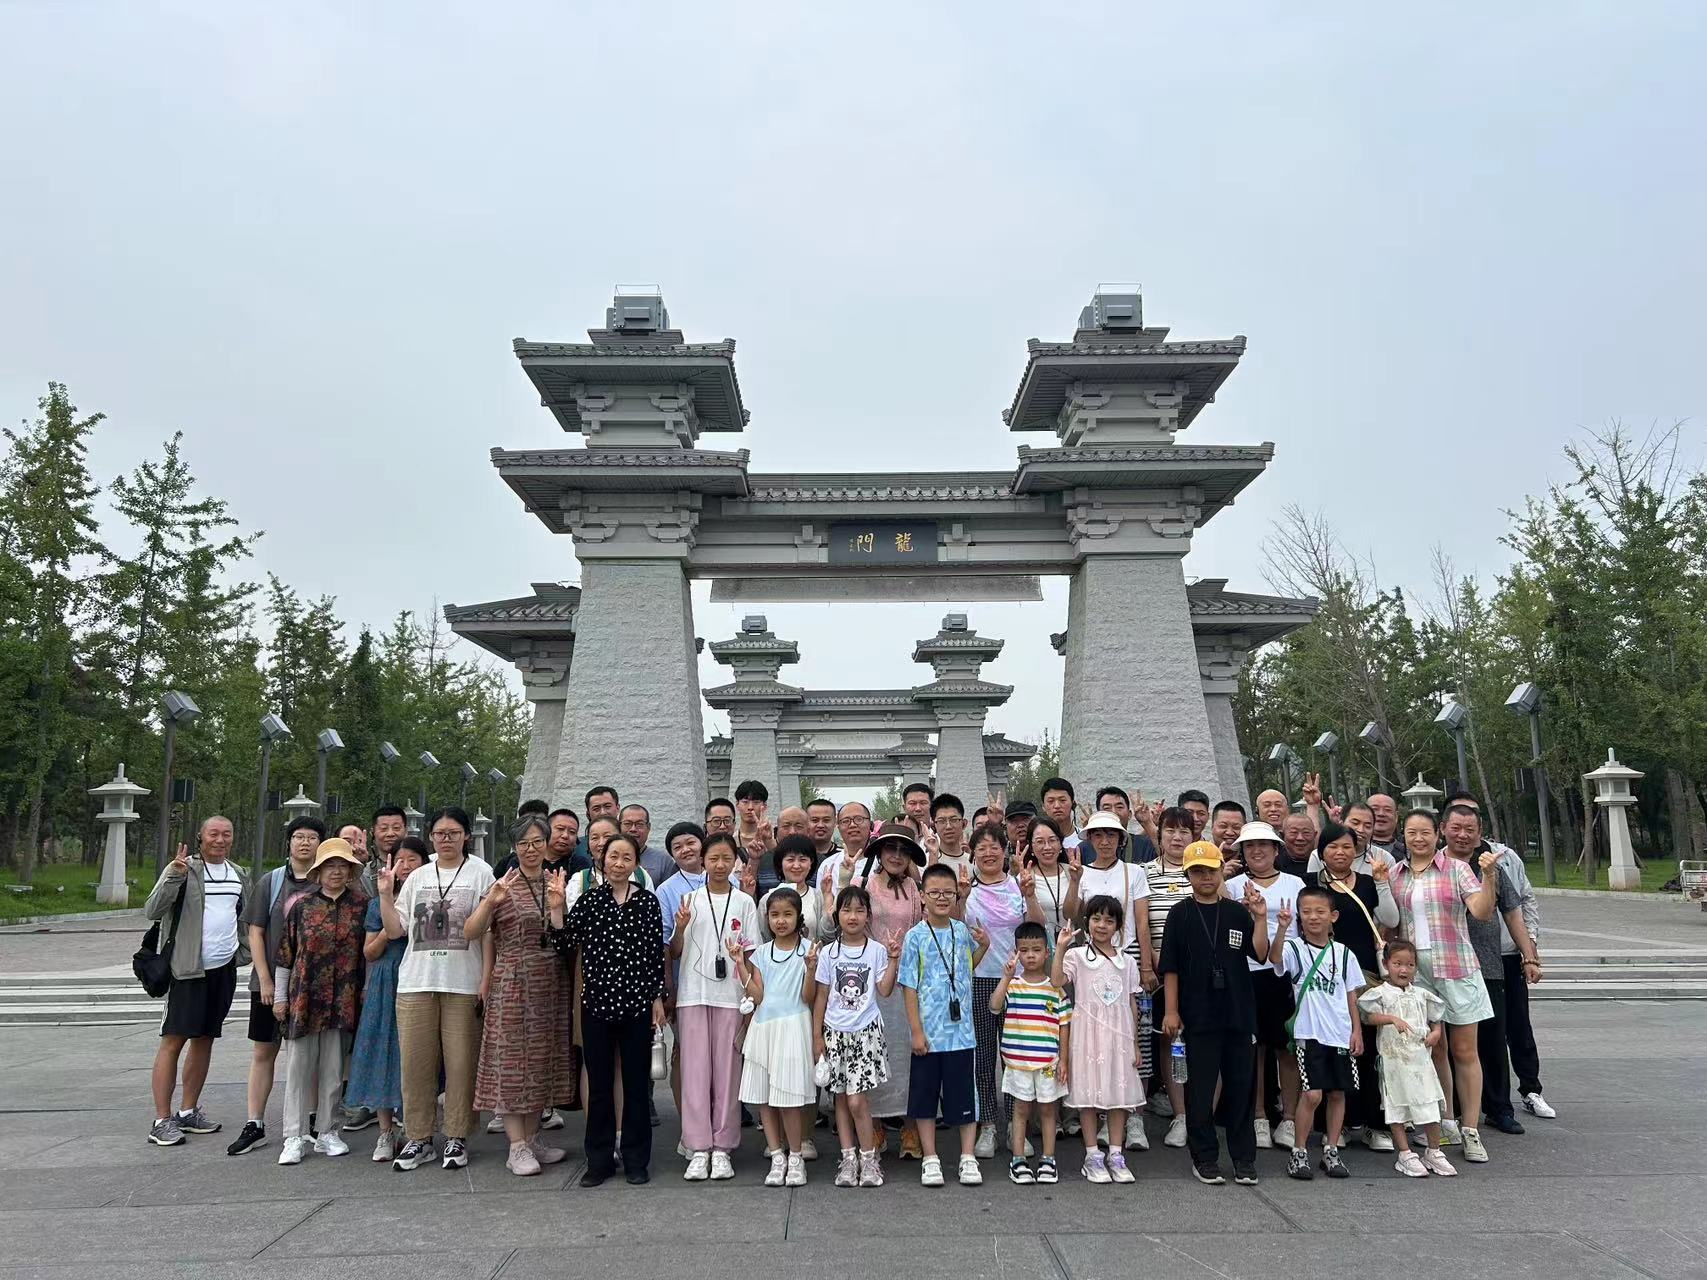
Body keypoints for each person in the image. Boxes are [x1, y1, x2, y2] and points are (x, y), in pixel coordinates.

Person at [379, 806, 495, 1172]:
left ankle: (457, 1135)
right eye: (440, 833)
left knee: (461, 1064)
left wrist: (486, 979)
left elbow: (488, 931)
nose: (446, 839)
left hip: (463, 982)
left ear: (466, 835)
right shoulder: (417, 876)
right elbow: (395, 930)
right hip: (417, 981)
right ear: (430, 837)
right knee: (415, 1065)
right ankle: (419, 1137)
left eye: (453, 833)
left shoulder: (481, 872)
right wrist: (385, 894)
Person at [1388, 807, 1504, 1164]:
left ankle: (1470, 1128)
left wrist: (1489, 876)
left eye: (1425, 832)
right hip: (1416, 975)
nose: (1418, 839)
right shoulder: (1395, 874)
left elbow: (1481, 911)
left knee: (1465, 1050)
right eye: (1411, 833)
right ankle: (1445, 1121)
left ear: (1437, 834)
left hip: (1456, 966)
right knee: (1433, 1049)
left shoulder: (1456, 869)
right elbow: (1391, 922)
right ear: (1404, 836)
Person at [548, 834, 666, 1186]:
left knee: (635, 1084)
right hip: (596, 1003)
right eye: (613, 856)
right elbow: (564, 943)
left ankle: (636, 1159)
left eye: (626, 857)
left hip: (636, 1004)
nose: (619, 863)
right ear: (602, 859)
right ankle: (598, 1161)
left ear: (635, 864)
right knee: (599, 1085)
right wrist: (556, 909)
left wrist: (657, 998)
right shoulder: (590, 900)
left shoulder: (646, 902)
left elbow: (654, 955)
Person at [1160, 840, 1274, 1186]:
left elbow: (1260, 953)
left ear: (1222, 869)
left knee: (1241, 1087)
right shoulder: (1179, 914)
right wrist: (1171, 1011)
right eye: (1197, 871)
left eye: (1210, 870)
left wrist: (1260, 918)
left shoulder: (1237, 912)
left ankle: (1243, 1157)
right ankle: (1204, 1156)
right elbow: (1171, 968)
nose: (1205, 877)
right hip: (1198, 1015)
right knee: (1200, 1089)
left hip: (1238, 1012)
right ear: (1188, 875)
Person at [466, 813, 575, 1176]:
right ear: (514, 847)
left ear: (547, 844)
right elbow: (472, 932)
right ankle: (516, 1146)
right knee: (512, 1060)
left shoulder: (556, 882)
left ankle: (532, 1138)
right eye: (524, 843)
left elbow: (565, 935)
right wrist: (490, 902)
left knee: (542, 1060)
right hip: (512, 980)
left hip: (550, 982)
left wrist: (559, 907)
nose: (531, 849)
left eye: (537, 842)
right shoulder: (503, 884)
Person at [1435, 803, 1540, 1139]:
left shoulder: (1490, 867)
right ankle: (1450, 1112)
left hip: (1488, 965)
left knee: (1493, 1041)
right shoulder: (1431, 865)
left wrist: (1529, 957)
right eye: (1456, 828)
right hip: (1446, 967)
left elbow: (1512, 913)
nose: (1463, 835)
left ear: (1480, 832)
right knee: (1449, 1044)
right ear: (1443, 829)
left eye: (1470, 829)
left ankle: (1499, 1109)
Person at [145, 816, 247, 1147]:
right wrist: (173, 876)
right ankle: (161, 1120)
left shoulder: (238, 873)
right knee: (173, 1041)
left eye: (227, 834)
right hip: (186, 970)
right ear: (200, 837)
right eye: (213, 834)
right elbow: (152, 909)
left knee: (205, 1039)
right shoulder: (183, 868)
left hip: (222, 970)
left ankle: (188, 1111)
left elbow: (243, 916)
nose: (220, 839)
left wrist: (242, 952)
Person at [227, 815, 323, 1157]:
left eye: (312, 837)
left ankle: (313, 1121)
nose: (305, 843)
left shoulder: (326, 882)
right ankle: (255, 1123)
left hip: (313, 985)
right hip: (268, 984)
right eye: (299, 836)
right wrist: (265, 979)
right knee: (264, 1052)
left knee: (311, 1056)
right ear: (289, 842)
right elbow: (255, 932)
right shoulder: (272, 881)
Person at [272, 838, 368, 1166]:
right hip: (305, 998)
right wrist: (280, 998)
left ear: (350, 871)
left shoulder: (362, 906)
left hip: (343, 999)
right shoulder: (302, 907)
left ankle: (327, 1130)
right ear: (318, 871)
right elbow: (285, 955)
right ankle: (294, 1135)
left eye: (342, 866)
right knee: (298, 1069)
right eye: (330, 866)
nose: (336, 872)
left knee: (333, 1070)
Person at [1303, 820, 1397, 1150]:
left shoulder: (1369, 882)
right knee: (1332, 1050)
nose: (1340, 852)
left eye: (1347, 846)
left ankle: (1373, 1124)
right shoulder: (1312, 885)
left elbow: (1391, 919)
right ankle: (1337, 1126)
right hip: (1326, 979)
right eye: (1332, 847)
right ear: (1321, 853)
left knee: (1368, 1049)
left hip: (1365, 976)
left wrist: (1383, 883)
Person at [671, 831, 759, 1180]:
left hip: (731, 997)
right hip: (693, 994)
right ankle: (697, 1146)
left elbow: (751, 954)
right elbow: (675, 950)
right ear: (702, 861)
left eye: (726, 858)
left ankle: (723, 1147)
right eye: (713, 858)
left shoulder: (745, 902)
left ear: (735, 861)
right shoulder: (689, 899)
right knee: (694, 1072)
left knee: (728, 1072)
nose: (720, 865)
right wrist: (679, 928)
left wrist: (750, 996)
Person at [1269, 884, 1366, 1179]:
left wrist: (1357, 1031)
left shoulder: (1344, 954)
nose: (1313, 917)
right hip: (1309, 1032)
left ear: (1333, 916)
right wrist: (1282, 928)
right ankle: (1299, 1151)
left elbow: (1351, 995)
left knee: (1337, 1093)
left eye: (1320, 911)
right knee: (1312, 1094)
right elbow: (1275, 959)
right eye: (1306, 911)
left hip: (1340, 1033)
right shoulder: (1295, 948)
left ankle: (1331, 1149)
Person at [901, 862, 989, 1187]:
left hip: (961, 1034)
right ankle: (930, 1158)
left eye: (948, 893)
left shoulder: (961, 930)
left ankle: (967, 1156)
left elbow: (966, 967)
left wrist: (984, 947)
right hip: (929, 1034)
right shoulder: (915, 937)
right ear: (922, 896)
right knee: (925, 1099)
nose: (942, 898)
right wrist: (916, 1031)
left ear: (956, 896)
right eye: (935, 892)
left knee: (965, 1096)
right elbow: (909, 987)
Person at [960, 820, 1041, 1158]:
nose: (989, 853)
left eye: (995, 846)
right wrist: (961, 898)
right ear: (973, 854)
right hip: (979, 979)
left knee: (1015, 1057)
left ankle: (1015, 1126)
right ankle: (988, 1125)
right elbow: (954, 928)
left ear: (1005, 851)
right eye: (982, 848)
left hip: (1017, 980)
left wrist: (1030, 894)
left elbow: (1036, 927)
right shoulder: (967, 889)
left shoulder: (1017, 885)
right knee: (983, 1057)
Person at [813, 884, 901, 1188]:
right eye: (846, 910)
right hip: (834, 1032)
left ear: (868, 916)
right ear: (837, 914)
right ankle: (848, 1159)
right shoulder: (828, 953)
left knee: (857, 1101)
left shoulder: (876, 950)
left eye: (859, 910)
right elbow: (821, 997)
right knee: (840, 1098)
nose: (852, 916)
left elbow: (885, 990)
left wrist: (893, 959)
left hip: (865, 1033)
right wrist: (816, 1037)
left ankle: (869, 1158)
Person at [1225, 819, 1305, 1154]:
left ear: (1275, 850)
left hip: (1285, 973)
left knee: (1286, 1047)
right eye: (1250, 846)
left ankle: (1289, 1118)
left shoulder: (1295, 883)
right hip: (1245, 972)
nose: (1257, 851)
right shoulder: (1232, 886)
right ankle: (1258, 1117)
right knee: (1253, 1049)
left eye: (1263, 845)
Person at [345, 835, 426, 1162]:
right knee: (382, 1052)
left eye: (412, 860)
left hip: (418, 978)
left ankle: (413, 1127)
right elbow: (369, 951)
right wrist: (391, 916)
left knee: (414, 1054)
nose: (405, 867)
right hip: (385, 980)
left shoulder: (429, 897)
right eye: (399, 860)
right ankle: (384, 1131)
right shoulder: (378, 902)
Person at [1053, 897, 1143, 1183]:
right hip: (1087, 1035)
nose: (1101, 925)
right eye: (1096, 919)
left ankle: (1116, 1154)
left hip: (1120, 1037)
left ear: (1118, 925)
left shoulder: (1127, 961)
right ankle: (1092, 1155)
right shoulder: (1077, 956)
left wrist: (1135, 1043)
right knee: (1088, 1096)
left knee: (1119, 1096)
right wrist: (1060, 948)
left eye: (1109, 920)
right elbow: (1056, 981)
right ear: (1087, 921)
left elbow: (1132, 1003)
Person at [853, 821, 926, 1158]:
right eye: (890, 848)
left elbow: (920, 928)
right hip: (872, 978)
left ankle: (911, 1128)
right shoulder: (863, 884)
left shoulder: (914, 888)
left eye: (903, 850)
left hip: (907, 979)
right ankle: (876, 1127)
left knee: (908, 1055)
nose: (896, 855)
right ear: (879, 852)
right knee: (874, 1052)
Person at [738, 887, 819, 1187]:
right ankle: (776, 1155)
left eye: (787, 914)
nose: (781, 921)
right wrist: (740, 965)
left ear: (798, 917)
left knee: (789, 1098)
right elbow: (757, 995)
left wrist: (810, 969)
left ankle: (795, 1156)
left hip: (794, 1026)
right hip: (764, 1028)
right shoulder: (761, 953)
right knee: (764, 1098)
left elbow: (808, 997)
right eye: (774, 915)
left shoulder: (809, 950)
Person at [1358, 939, 1456, 1177]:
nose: (1403, 970)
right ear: (1386, 964)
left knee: (1429, 1103)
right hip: (1394, 1061)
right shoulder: (1380, 993)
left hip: (1421, 1061)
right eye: (1397, 964)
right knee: (1397, 1106)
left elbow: (1435, 1018)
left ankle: (1434, 1151)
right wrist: (1391, 1019)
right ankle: (1404, 1152)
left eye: (1410, 965)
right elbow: (1368, 1017)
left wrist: (1435, 1033)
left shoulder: (1421, 994)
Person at [991, 921, 1071, 1185]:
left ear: (1047, 952)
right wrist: (1005, 977)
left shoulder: (1055, 988)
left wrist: (1064, 1060)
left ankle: (1049, 1159)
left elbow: (1064, 1025)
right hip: (1017, 1061)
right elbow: (994, 1006)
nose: (1030, 956)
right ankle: (1018, 1159)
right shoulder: (1013, 985)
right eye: (1024, 950)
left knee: (1048, 1110)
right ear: (1016, 953)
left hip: (1048, 1062)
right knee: (1021, 1109)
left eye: (1036, 950)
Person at [1141, 806, 1195, 1139]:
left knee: (1201, 1040)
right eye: (1170, 831)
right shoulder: (1144, 873)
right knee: (1169, 1039)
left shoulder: (1203, 868)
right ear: (1158, 835)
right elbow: (1141, 924)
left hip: (1200, 973)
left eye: (1184, 831)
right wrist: (1151, 963)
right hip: (1161, 973)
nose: (1177, 838)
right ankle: (1181, 1115)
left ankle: (1200, 1111)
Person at [815, 801, 875, 931]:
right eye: (845, 821)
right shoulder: (828, 865)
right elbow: (824, 914)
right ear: (838, 827)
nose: (852, 825)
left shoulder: (881, 862)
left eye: (859, 819)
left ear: (870, 824)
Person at [1021, 815, 1080, 939]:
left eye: (1052, 840)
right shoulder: (1025, 878)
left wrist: (1075, 881)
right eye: (1040, 842)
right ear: (1031, 847)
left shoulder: (1073, 872)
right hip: (1041, 948)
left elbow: (1071, 915)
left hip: (1073, 947)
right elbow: (1033, 925)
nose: (1047, 847)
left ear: (1060, 843)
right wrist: (1030, 896)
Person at [758, 834, 823, 942]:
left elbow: (825, 937)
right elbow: (763, 938)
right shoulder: (767, 899)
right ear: (781, 863)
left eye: (802, 860)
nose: (796, 866)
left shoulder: (819, 897)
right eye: (790, 860)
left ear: (811, 863)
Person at [618, 804, 676, 886]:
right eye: (627, 824)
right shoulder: (610, 858)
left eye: (639, 824)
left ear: (648, 827)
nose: (633, 829)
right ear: (619, 826)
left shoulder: (663, 861)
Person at [1096, 787, 1159, 862]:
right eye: (1107, 808)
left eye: (1119, 807)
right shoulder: (1086, 848)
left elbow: (1168, 857)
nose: (1114, 812)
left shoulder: (1145, 845)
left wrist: (1147, 822)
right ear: (1098, 815)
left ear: (1129, 814)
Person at [928, 793, 971, 875]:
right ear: (933, 826)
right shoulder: (927, 860)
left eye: (954, 820)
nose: (948, 826)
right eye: (941, 821)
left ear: (964, 824)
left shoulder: (976, 862)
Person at [1040, 778, 1081, 851]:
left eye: (1062, 800)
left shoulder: (1085, 838)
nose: (1057, 806)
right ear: (1043, 806)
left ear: (1073, 803)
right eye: (1051, 801)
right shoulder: (1038, 842)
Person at [1366, 793, 1400, 857]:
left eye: (1387, 810)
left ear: (1396, 817)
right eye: (1374, 809)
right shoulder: (1353, 849)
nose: (1381, 814)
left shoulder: (1409, 853)